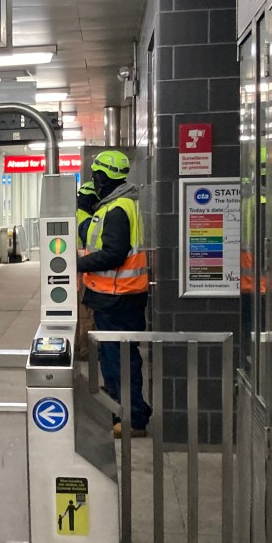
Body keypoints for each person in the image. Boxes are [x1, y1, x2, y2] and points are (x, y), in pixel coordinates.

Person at [77, 150, 152, 436]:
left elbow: (113, 254)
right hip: (113, 295)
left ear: (102, 176)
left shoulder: (118, 208)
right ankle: (118, 408)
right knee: (113, 357)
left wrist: (78, 264)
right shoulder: (113, 205)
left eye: (96, 175)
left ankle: (132, 418)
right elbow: (91, 235)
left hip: (119, 296)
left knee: (120, 358)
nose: (93, 180)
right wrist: (84, 209)